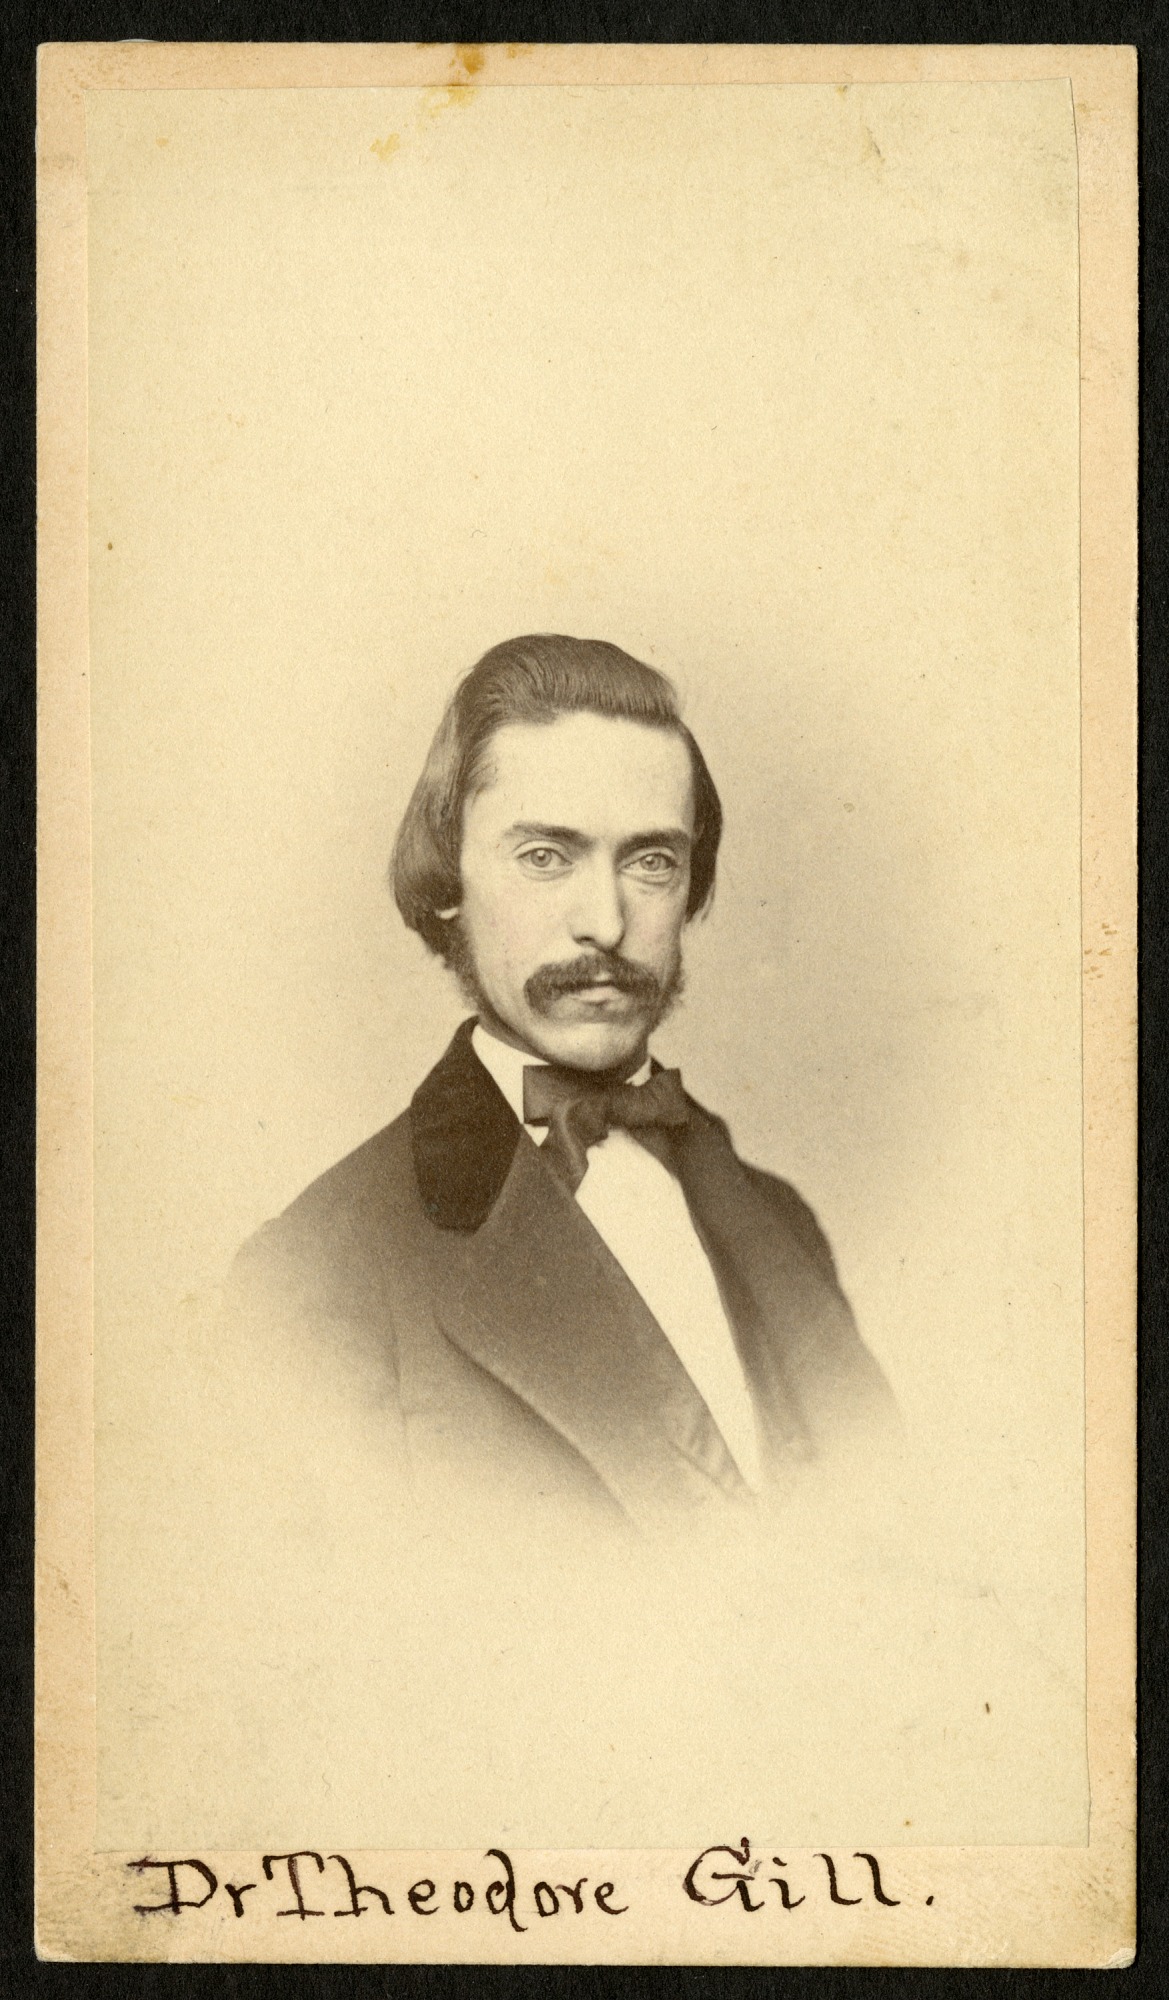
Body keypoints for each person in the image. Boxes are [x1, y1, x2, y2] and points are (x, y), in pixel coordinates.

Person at [227, 635, 896, 1534]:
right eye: (545, 856)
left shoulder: (780, 1219)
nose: (606, 923)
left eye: (650, 861)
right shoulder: (312, 1276)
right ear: (448, 879)